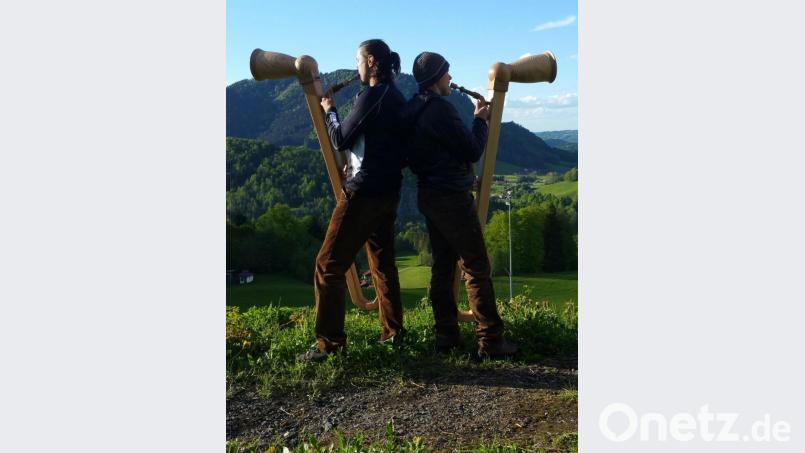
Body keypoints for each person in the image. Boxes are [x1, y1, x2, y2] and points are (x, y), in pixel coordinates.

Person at [402, 51, 518, 359]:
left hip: (428, 195)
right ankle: (491, 341)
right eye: (446, 74)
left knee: (442, 266)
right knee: (476, 267)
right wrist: (480, 120)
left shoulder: (412, 107)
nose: (451, 79)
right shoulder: (441, 109)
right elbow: (470, 150)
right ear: (436, 78)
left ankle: (446, 336)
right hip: (452, 198)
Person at [298, 39, 407, 362]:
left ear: (371, 62)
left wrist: (330, 111)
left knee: (328, 265)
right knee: (383, 264)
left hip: (364, 193)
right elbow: (373, 140)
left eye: (358, 61)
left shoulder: (373, 95)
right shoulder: (395, 96)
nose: (357, 67)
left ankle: (329, 345)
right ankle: (393, 334)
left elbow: (340, 136)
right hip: (388, 191)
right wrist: (356, 159)